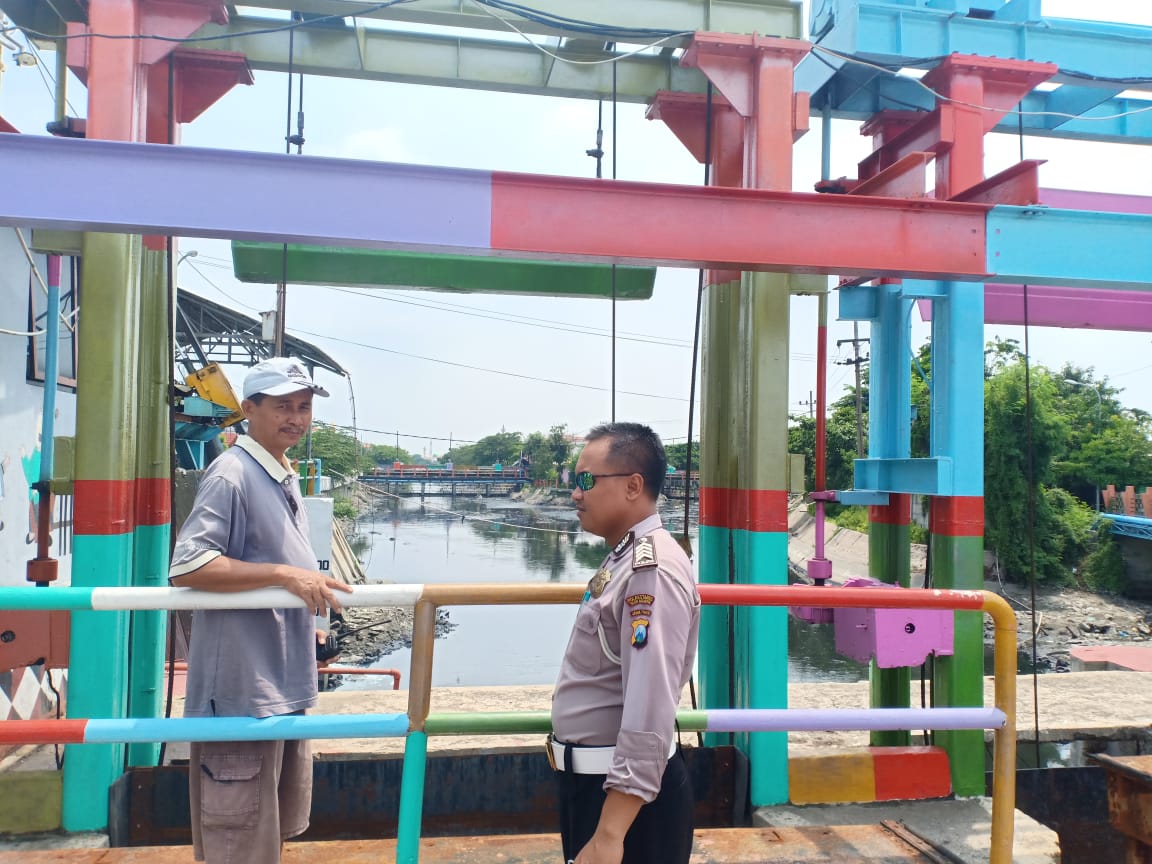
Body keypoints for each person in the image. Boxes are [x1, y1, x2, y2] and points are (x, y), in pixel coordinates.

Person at [169, 357, 352, 864]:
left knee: (268, 828)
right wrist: (283, 575)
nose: (295, 417)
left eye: (304, 407)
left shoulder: (280, 473)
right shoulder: (233, 474)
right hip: (242, 691)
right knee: (239, 835)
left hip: (281, 681)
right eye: (282, 406)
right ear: (249, 409)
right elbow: (189, 565)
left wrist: (309, 629)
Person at [550, 422, 701, 864]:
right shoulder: (625, 556)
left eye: (586, 480)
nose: (575, 493)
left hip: (625, 807)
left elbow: (649, 706)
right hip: (597, 789)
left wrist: (610, 833)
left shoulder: (650, 572)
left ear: (634, 486)